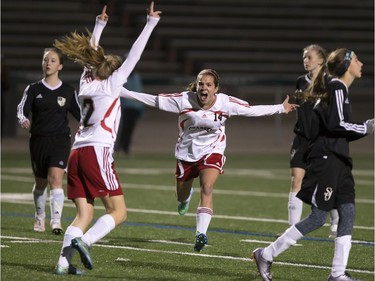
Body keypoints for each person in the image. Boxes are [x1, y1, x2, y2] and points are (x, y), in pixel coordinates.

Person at [120, 68, 298, 252]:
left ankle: (201, 233)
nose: (204, 88)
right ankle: (185, 198)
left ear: (216, 89)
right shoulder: (183, 100)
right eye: (201, 84)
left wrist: (280, 108)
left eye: (208, 85)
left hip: (213, 150)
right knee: (181, 195)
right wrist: (119, 91)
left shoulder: (225, 103)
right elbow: (151, 99)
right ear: (197, 86)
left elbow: (252, 110)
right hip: (186, 154)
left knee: (207, 187)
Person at [52, 3, 161, 275]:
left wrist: (98, 27)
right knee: (119, 212)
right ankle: (84, 241)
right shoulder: (112, 83)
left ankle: (62, 265)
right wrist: (149, 24)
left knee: (84, 214)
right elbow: (135, 55)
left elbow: (89, 56)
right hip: (96, 152)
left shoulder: (86, 83)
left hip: (76, 153)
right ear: (115, 72)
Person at [252, 48, 374, 281]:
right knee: (318, 217)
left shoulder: (339, 89)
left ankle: (338, 274)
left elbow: (332, 126)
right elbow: (337, 125)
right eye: (357, 60)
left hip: (339, 160)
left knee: (348, 212)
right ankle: (266, 254)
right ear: (347, 65)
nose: (362, 63)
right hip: (327, 159)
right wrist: (367, 127)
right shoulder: (337, 87)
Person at [16, 48, 80, 235]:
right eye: (45, 60)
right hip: (38, 141)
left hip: (60, 140)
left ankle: (56, 221)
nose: (48, 63)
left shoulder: (68, 91)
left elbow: (81, 116)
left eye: (52, 60)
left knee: (56, 179)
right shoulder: (34, 89)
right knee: (41, 183)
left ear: (60, 66)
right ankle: (39, 215)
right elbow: (21, 110)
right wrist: (23, 119)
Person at [288, 44, 339, 238]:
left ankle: (336, 218)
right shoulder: (301, 81)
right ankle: (292, 231)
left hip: (321, 140)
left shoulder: (330, 83)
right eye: (304, 57)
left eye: (309, 57)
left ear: (321, 60)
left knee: (321, 182)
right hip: (301, 139)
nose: (305, 60)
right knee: (296, 179)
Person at [114, 71, 145, 155]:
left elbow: (139, 90)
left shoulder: (136, 76)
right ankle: (117, 147)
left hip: (135, 107)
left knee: (130, 129)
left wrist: (141, 107)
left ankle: (125, 148)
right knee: (122, 129)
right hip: (125, 107)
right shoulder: (122, 77)